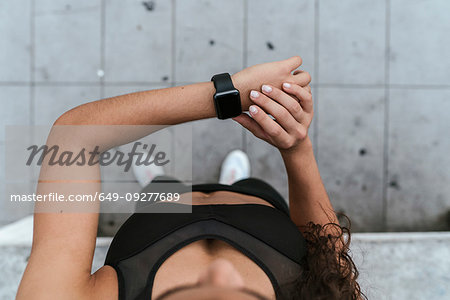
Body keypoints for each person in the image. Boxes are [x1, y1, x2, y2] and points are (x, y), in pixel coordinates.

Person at [16, 56, 366, 300]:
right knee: (247, 187)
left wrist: (228, 94)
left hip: (161, 214)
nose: (222, 273)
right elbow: (324, 251)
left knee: (160, 193)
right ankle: (231, 183)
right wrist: (296, 147)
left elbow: (75, 136)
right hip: (258, 204)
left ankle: (159, 183)